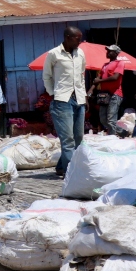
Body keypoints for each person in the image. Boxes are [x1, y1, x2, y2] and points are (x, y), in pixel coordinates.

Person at [43, 26, 87, 177]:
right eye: (77, 38)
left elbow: (82, 75)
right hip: (62, 100)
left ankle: (61, 166)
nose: (80, 42)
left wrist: (84, 95)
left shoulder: (80, 53)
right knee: (68, 139)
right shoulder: (54, 54)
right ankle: (71, 173)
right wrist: (52, 93)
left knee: (79, 138)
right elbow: (47, 76)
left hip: (79, 99)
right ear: (68, 37)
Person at [91, 45, 126, 137]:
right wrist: (90, 90)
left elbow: (115, 77)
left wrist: (100, 81)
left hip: (115, 94)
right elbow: (97, 79)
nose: (108, 53)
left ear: (116, 53)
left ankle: (111, 138)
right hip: (104, 95)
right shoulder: (104, 65)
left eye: (110, 51)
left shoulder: (120, 63)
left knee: (111, 119)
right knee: (103, 119)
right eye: (108, 51)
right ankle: (121, 131)